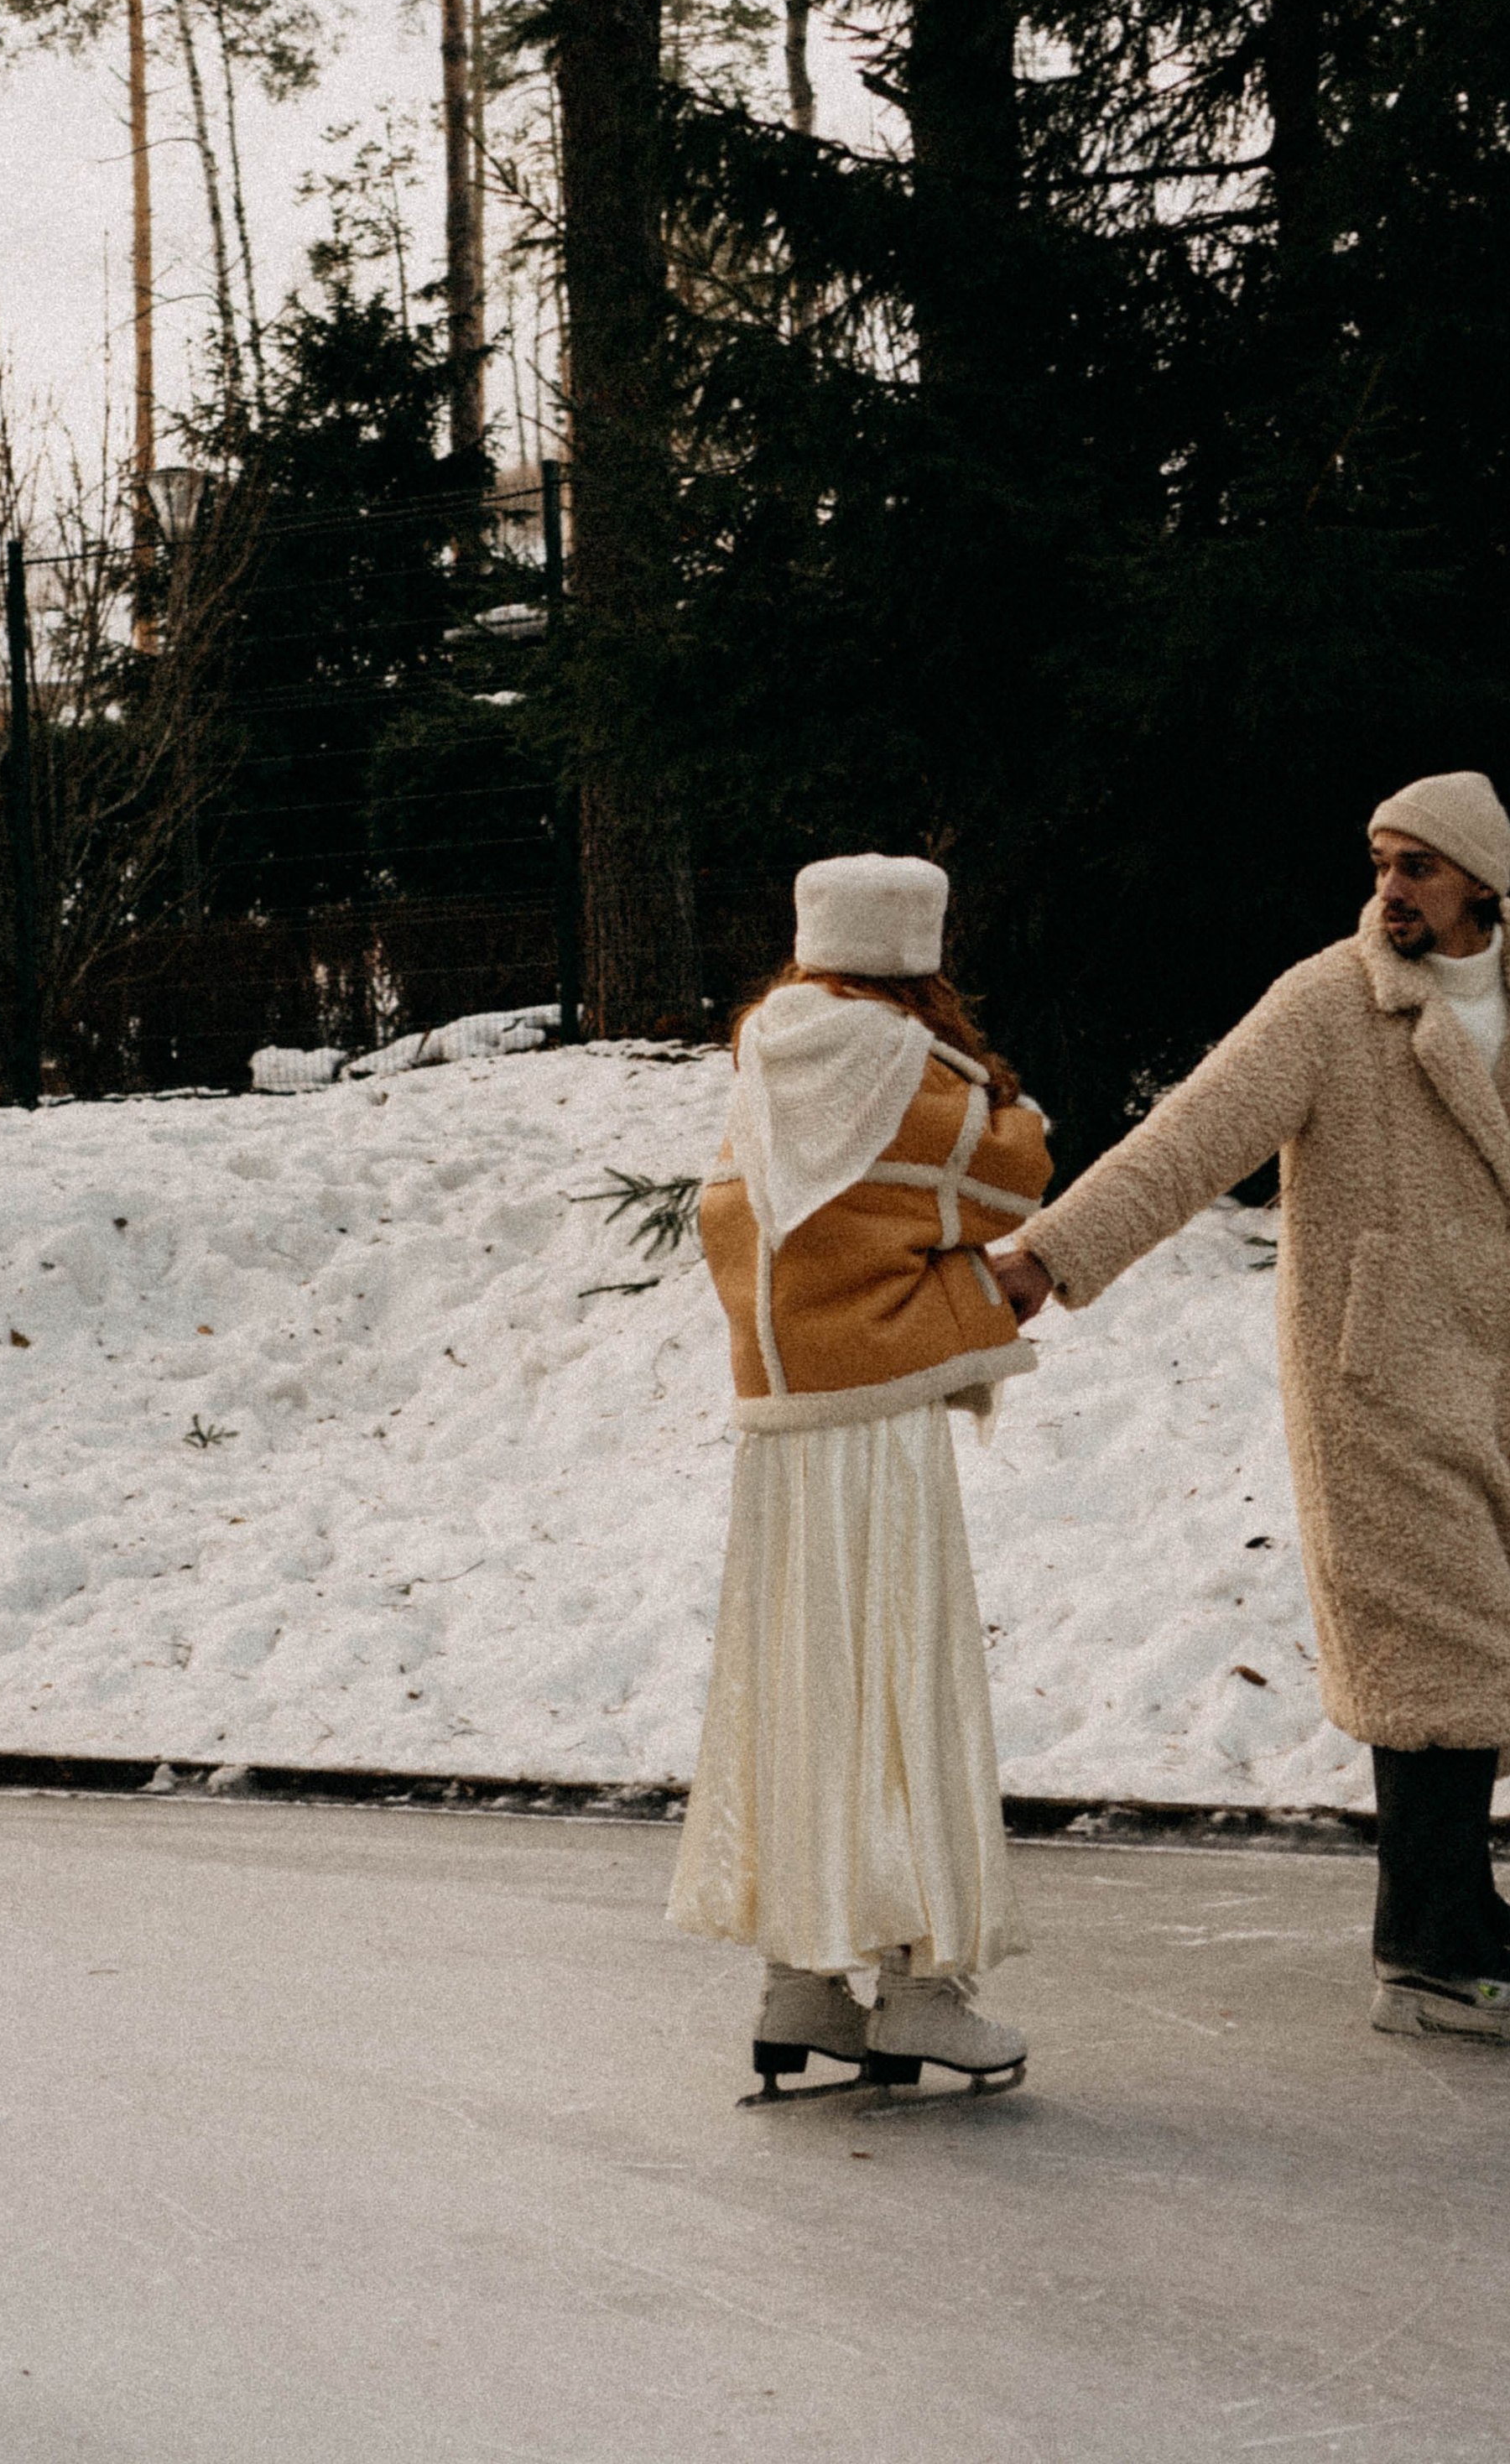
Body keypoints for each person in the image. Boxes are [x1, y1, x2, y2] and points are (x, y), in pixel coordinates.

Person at [992, 774, 1510, 2050]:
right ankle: (1424, 1952)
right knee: (1433, 1641)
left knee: (1492, 1632)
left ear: (1479, 884)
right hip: (1370, 1371)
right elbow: (1187, 1141)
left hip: (1488, 1369)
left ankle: (1458, 1892)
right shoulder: (1328, 1005)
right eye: (1380, 862)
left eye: (1415, 867)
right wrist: (1049, 1255)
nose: (1388, 889)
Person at [669, 852, 1054, 2098]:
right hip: (879, 1427)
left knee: (804, 1685)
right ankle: (925, 1993)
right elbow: (1019, 1171)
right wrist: (989, 1081)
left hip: (779, 1435)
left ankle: (800, 1981)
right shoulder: (920, 1075)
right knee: (906, 1683)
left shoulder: (762, 1065)